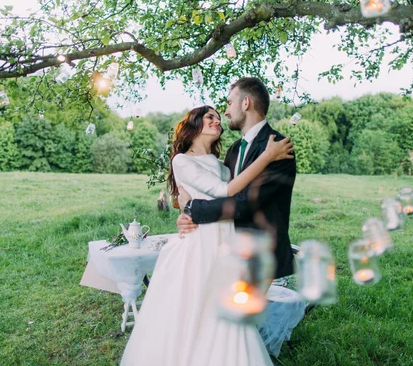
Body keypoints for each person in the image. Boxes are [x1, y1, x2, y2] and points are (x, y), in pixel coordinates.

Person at [120, 105, 293, 366]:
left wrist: (189, 208)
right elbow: (224, 191)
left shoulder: (225, 164)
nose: (218, 120)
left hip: (226, 243)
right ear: (194, 125)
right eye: (209, 116)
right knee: (196, 306)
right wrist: (267, 157)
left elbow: (237, 198)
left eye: (218, 117)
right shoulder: (182, 160)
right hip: (200, 244)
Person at [177, 77, 297, 281]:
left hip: (262, 254)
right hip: (230, 251)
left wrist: (192, 209)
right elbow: (218, 189)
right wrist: (185, 217)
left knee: (245, 313)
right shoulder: (234, 150)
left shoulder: (277, 147)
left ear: (246, 103)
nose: (225, 112)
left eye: (230, 103)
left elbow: (246, 203)